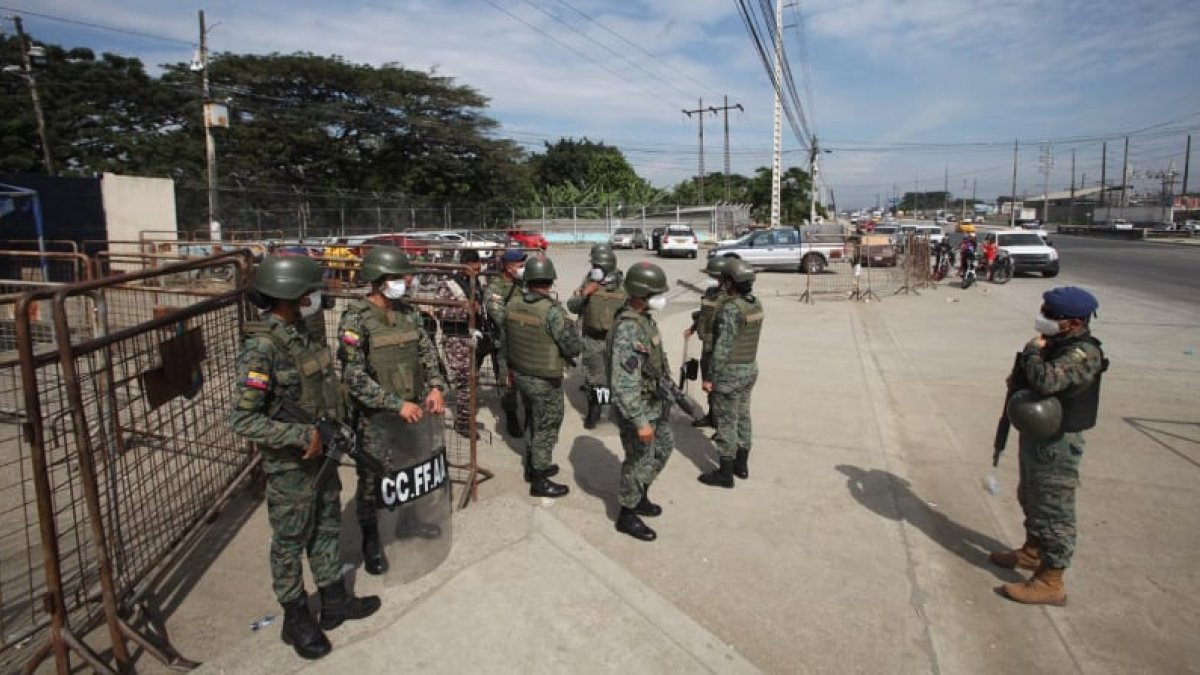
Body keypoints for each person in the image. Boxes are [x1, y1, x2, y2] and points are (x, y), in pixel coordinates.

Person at [229, 255, 380, 660]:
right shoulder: (263, 346)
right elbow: (242, 419)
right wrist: (301, 435)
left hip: (324, 454)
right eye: (312, 290)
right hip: (291, 465)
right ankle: (295, 618)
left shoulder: (303, 332)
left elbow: (324, 388)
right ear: (293, 293)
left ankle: (334, 600)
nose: (318, 296)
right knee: (290, 541)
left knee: (327, 525)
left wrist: (339, 424)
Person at [993, 287, 1107, 606]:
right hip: (1039, 435)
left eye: (1049, 315)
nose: (1042, 319)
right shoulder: (1057, 344)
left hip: (1059, 442)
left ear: (1072, 322)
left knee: (1054, 508)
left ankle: (1051, 580)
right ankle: (1032, 551)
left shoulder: (1084, 352)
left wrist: (1031, 353)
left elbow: (1047, 381)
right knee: (1030, 494)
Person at [336, 247, 447, 577]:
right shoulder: (355, 319)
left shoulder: (409, 314)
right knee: (372, 482)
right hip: (376, 419)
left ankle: (408, 522)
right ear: (378, 281)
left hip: (413, 412)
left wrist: (436, 387)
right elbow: (353, 376)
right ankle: (371, 540)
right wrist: (395, 404)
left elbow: (428, 354)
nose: (405, 282)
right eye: (398, 277)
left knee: (412, 468)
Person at [607, 262, 674, 541]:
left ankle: (640, 494)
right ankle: (627, 514)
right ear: (639, 293)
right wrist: (639, 421)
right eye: (654, 293)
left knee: (663, 448)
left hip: (654, 402)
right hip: (638, 408)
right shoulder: (627, 329)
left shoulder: (644, 318)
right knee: (637, 460)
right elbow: (624, 383)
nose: (660, 298)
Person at [504, 256, 582, 497]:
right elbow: (572, 348)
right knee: (546, 428)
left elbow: (506, 341)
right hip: (544, 381)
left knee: (533, 422)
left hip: (522, 375)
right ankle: (539, 480)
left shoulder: (513, 304)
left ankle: (533, 465)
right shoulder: (553, 312)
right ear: (550, 281)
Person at [698, 259, 763, 488]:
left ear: (730, 282)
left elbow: (722, 348)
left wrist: (709, 378)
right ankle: (741, 465)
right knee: (744, 415)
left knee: (726, 420)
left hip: (729, 374)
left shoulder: (731, 309)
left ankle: (725, 473)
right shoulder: (755, 304)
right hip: (749, 369)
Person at [567, 248, 626, 429]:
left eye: (595, 265)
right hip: (592, 338)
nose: (592, 268)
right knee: (594, 377)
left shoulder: (624, 286)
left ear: (606, 266)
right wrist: (586, 293)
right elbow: (572, 306)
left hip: (616, 340)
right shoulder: (589, 282)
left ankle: (619, 410)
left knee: (619, 376)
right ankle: (595, 409)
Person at [435, 249, 486, 438]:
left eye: (479, 266)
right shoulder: (449, 285)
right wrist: (466, 310)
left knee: (472, 380)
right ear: (464, 266)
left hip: (470, 336)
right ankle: (464, 423)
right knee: (465, 382)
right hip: (456, 338)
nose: (478, 270)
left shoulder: (473, 281)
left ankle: (466, 418)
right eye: (474, 267)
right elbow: (441, 311)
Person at [683, 256, 732, 428]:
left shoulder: (730, 298)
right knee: (707, 382)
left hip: (720, 346)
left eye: (717, 277)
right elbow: (704, 313)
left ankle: (722, 425)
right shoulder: (711, 292)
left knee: (719, 386)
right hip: (707, 345)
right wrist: (693, 327)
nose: (714, 280)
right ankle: (712, 416)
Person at [486, 249, 526, 436]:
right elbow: (499, 316)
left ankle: (529, 413)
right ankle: (511, 416)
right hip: (505, 343)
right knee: (507, 381)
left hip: (525, 341)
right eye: (520, 265)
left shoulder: (522, 284)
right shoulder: (495, 288)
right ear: (509, 267)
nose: (523, 268)